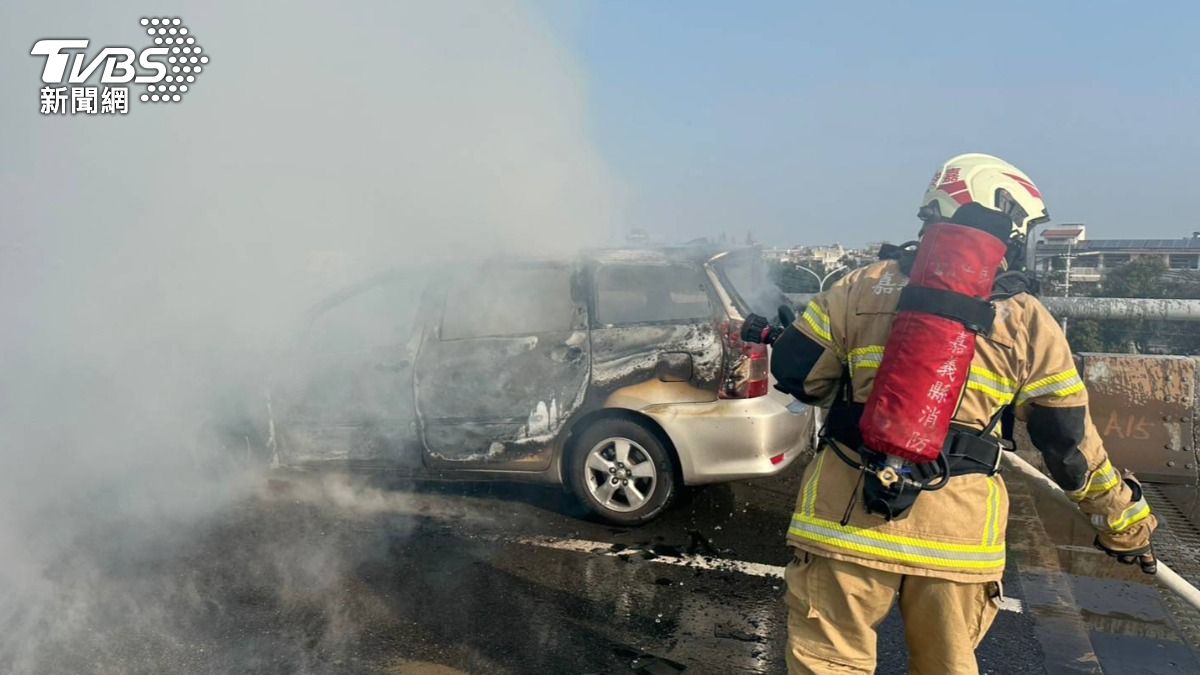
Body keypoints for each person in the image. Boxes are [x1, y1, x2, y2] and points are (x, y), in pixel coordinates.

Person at [768, 153, 1157, 674]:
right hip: (958, 539)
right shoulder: (1027, 318)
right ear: (1008, 223)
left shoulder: (860, 285)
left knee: (828, 663)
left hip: (844, 521)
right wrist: (1124, 523)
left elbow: (797, 376)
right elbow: (1068, 448)